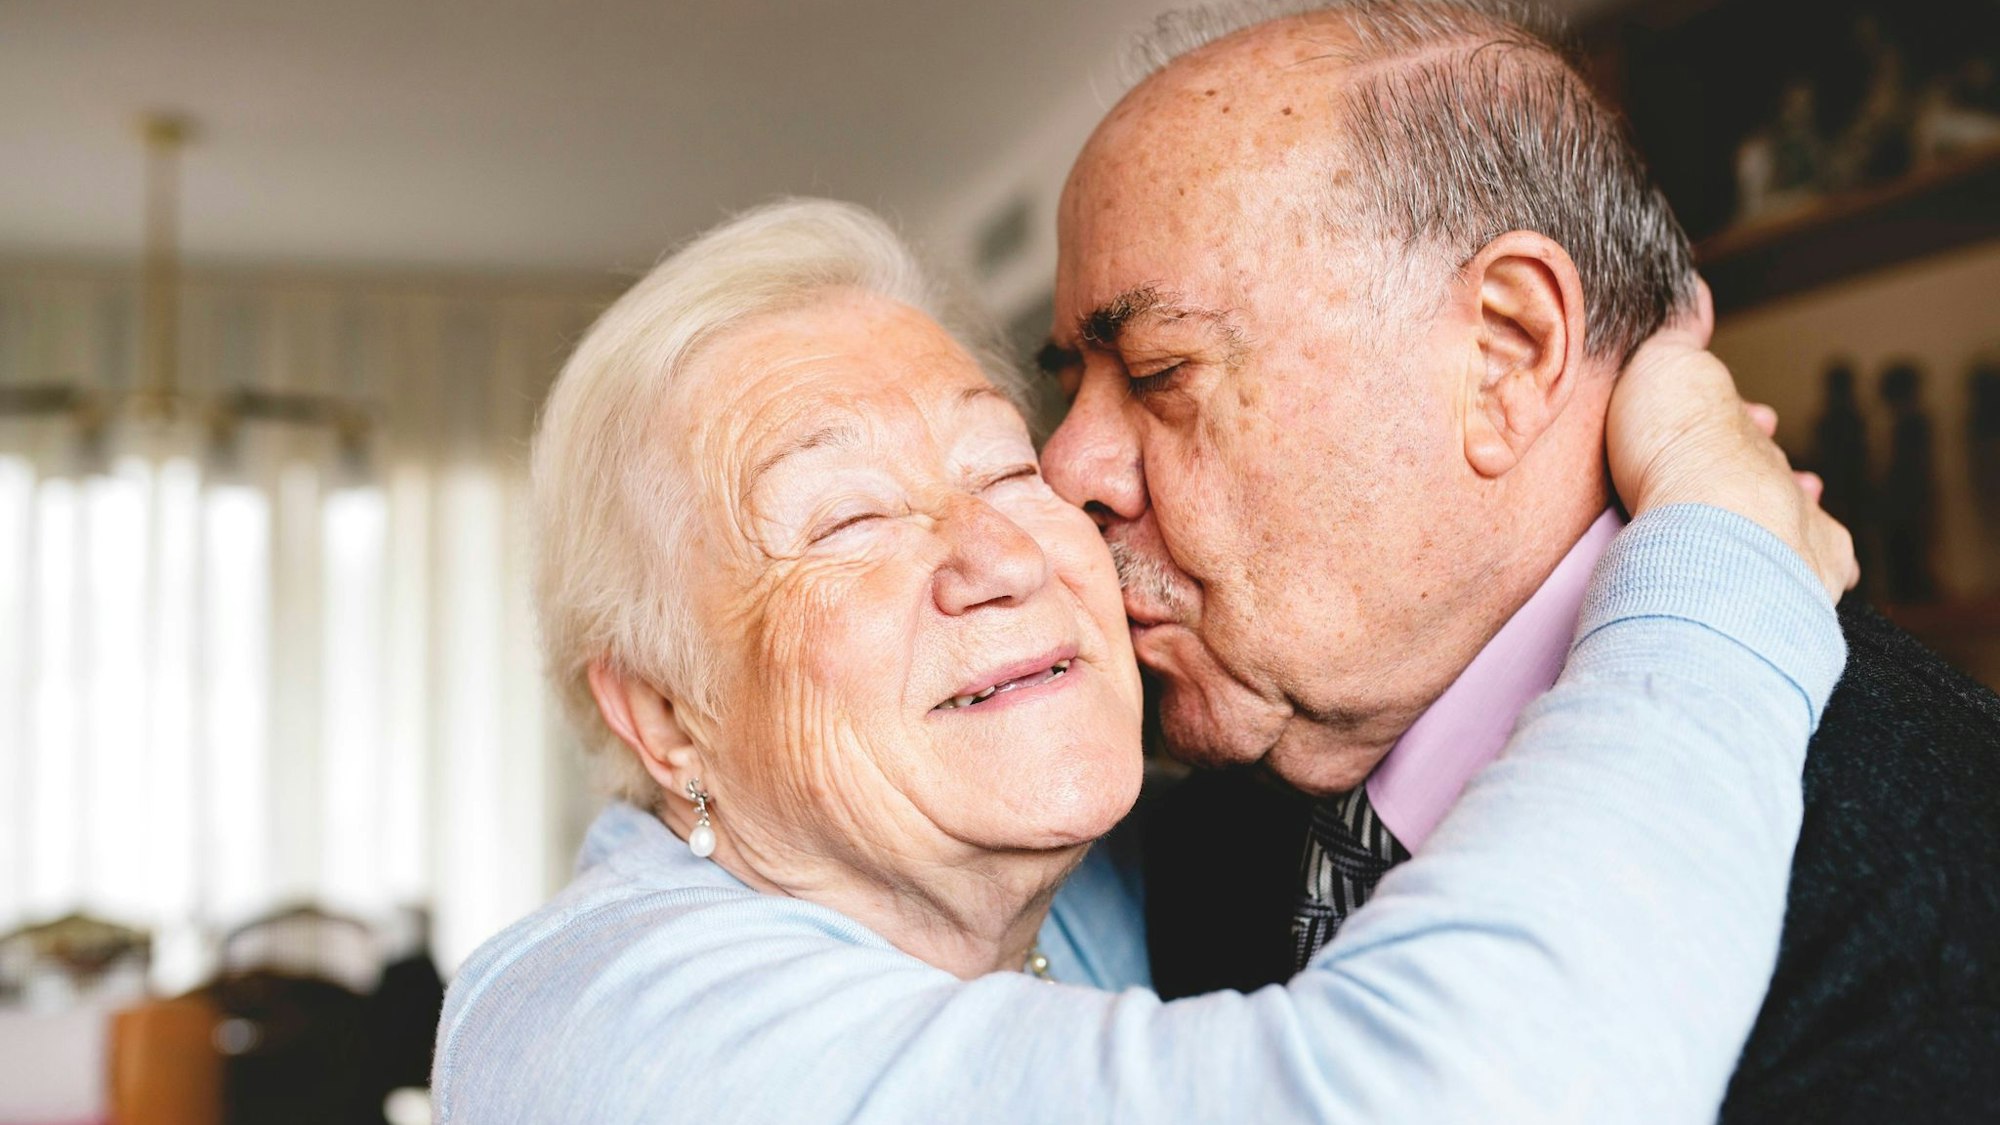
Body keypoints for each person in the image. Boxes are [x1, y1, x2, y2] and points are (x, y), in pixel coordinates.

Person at [432, 197, 1853, 1123]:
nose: (999, 552)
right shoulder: (604, 1040)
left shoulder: (1088, 876)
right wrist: (1724, 561)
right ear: (666, 717)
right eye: (848, 518)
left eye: (1004, 467)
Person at [1035, 2, 2000, 1120]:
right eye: (1071, 386)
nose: (1066, 468)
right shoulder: (1196, 838)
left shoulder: (1927, 917)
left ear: (1507, 352)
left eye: (1156, 370)